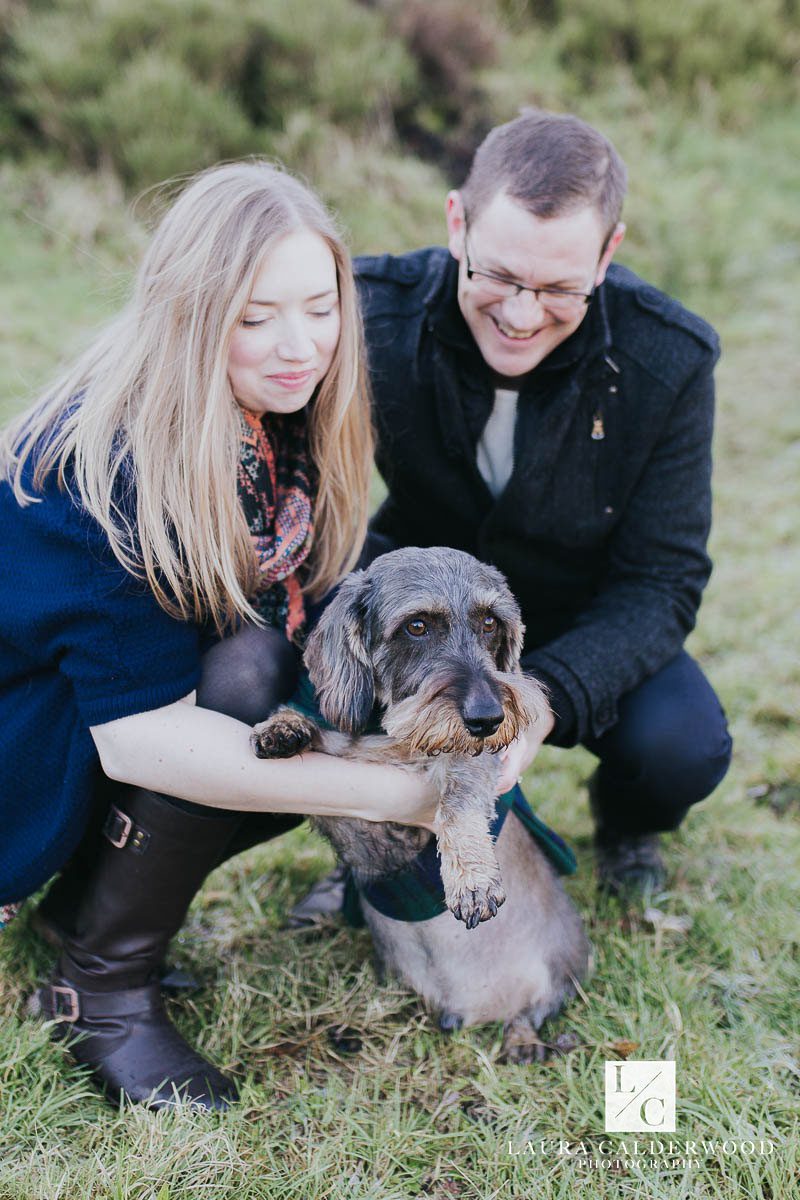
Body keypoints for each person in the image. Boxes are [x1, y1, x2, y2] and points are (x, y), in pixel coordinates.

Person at [0, 161, 437, 1110]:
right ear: (190, 314)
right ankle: (99, 989)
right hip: (17, 747)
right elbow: (139, 733)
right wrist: (404, 794)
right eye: (254, 316)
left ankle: (83, 910)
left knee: (295, 676)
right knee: (253, 688)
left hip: (90, 713)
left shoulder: (273, 419)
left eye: (319, 307)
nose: (298, 346)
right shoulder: (103, 465)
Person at [350, 109, 733, 898]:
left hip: (581, 608)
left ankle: (626, 823)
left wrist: (544, 697)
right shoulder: (368, 314)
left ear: (609, 253)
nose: (523, 315)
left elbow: (662, 582)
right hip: (419, 607)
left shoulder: (672, 358)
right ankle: (368, 834)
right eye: (497, 276)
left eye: (559, 288)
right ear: (456, 223)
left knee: (684, 747)